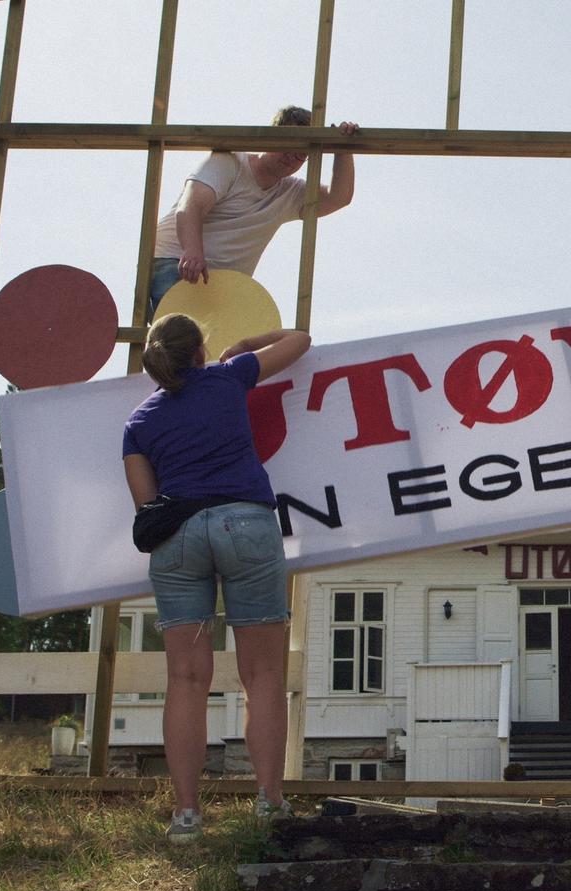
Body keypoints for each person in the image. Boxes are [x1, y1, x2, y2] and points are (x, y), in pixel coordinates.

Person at [122, 314, 311, 843]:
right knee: (262, 675)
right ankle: (269, 802)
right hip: (245, 523)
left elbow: (146, 506)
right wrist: (244, 342)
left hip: (178, 539)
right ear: (200, 351)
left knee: (186, 679)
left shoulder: (138, 423)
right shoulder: (229, 377)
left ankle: (186, 814)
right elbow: (300, 340)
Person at [147, 106, 361, 315]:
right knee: (183, 332)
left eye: (301, 154)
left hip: (220, 284)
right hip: (175, 262)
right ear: (272, 135)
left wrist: (342, 149)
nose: (292, 156)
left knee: (229, 338)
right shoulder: (229, 162)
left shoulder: (289, 192)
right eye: (289, 145)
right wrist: (192, 251)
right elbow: (191, 206)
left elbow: (338, 197)